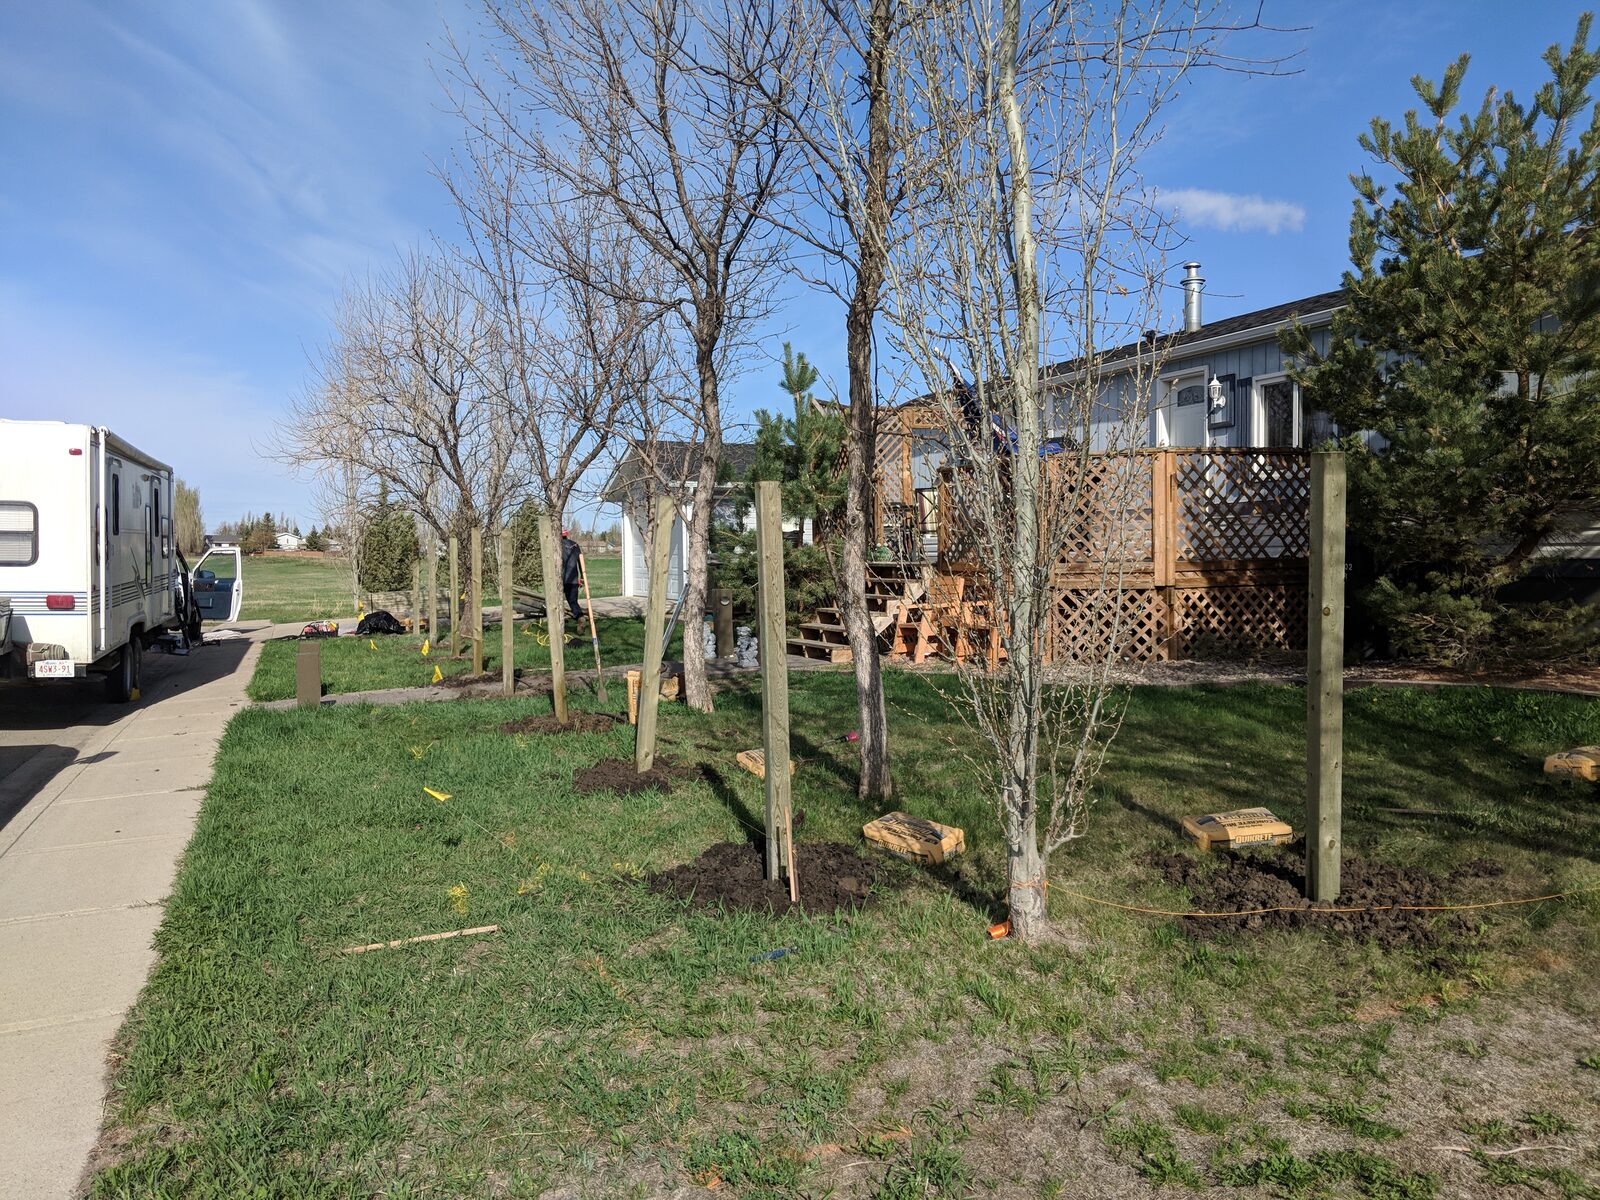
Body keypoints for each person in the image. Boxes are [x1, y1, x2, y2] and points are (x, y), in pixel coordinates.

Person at [560, 529, 584, 642]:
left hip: (561, 579)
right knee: (573, 601)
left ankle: (560, 623)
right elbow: (581, 561)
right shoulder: (575, 545)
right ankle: (580, 617)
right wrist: (582, 577)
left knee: (558, 602)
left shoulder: (557, 545)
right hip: (574, 579)